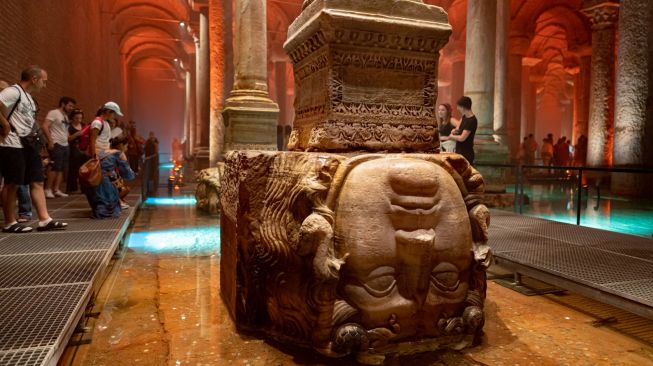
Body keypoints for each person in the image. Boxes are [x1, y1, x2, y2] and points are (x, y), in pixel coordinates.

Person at [0, 65, 68, 233]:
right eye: (43, 82)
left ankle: (45, 220)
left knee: (37, 180)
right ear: (34, 79)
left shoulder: (28, 97)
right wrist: (5, 123)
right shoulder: (13, 92)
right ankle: (10, 222)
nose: (43, 85)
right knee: (12, 183)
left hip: (28, 146)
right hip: (12, 143)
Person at [43, 96, 76, 198]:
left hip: (65, 144)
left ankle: (56, 189)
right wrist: (50, 141)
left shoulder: (65, 116)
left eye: (72, 106)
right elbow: (45, 126)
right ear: (63, 104)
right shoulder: (53, 113)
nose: (71, 108)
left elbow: (65, 131)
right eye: (70, 106)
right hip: (56, 143)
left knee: (61, 168)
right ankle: (47, 189)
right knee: (54, 167)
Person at [442, 96, 477, 164]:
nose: (457, 109)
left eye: (458, 107)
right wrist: (454, 131)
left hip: (466, 153)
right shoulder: (464, 117)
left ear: (463, 107)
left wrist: (451, 136)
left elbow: (462, 138)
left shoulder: (471, 120)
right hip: (459, 151)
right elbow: (458, 128)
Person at [66, 109, 88, 193]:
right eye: (76, 118)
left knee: (84, 169)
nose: (78, 120)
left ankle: (84, 188)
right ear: (72, 118)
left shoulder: (83, 125)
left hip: (83, 149)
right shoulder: (69, 126)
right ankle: (72, 188)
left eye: (80, 118)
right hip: (73, 149)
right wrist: (77, 134)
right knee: (73, 169)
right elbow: (68, 138)